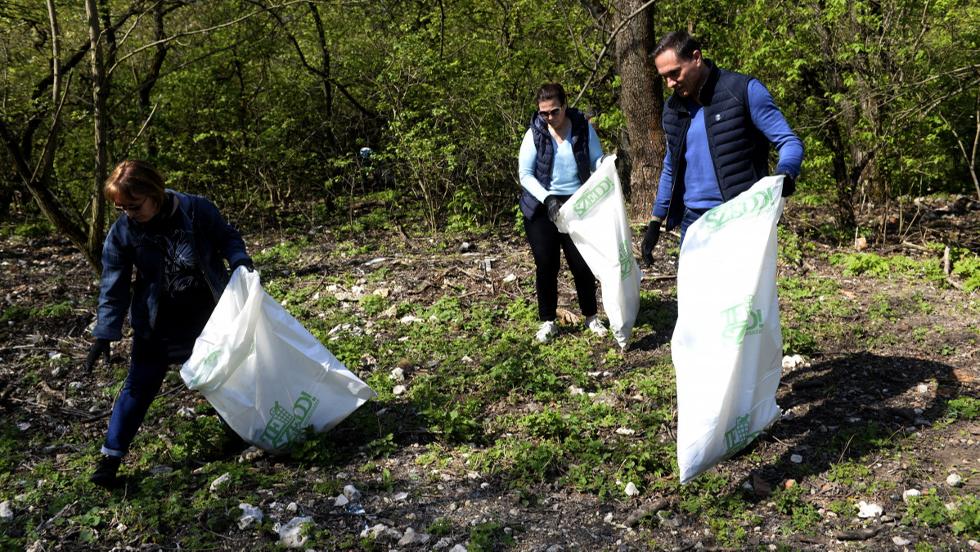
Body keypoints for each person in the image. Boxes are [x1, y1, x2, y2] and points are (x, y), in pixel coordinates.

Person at [83, 160, 254, 488]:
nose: (129, 213)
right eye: (121, 208)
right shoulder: (123, 230)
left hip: (206, 316)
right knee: (138, 386)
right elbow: (114, 282)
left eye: (134, 206)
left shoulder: (196, 210)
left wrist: (240, 261)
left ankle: (242, 433)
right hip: (156, 322)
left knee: (218, 378)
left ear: (155, 194)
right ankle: (111, 458)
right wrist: (105, 333)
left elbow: (227, 237)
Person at [641, 31, 804, 262]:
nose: (669, 83)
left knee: (740, 298)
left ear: (696, 57)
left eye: (674, 73)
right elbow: (671, 166)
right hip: (693, 223)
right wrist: (656, 221)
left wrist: (785, 173)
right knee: (695, 298)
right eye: (664, 77)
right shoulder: (673, 109)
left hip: (741, 218)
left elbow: (789, 142)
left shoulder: (742, 91)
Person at [518, 83, 608, 343]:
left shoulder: (582, 128)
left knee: (581, 264)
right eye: (543, 112)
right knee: (546, 264)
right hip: (542, 205)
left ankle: (591, 316)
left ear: (565, 106)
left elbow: (596, 160)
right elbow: (525, 174)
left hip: (577, 205)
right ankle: (548, 321)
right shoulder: (534, 134)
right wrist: (548, 198)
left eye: (553, 111)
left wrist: (606, 163)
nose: (548, 117)